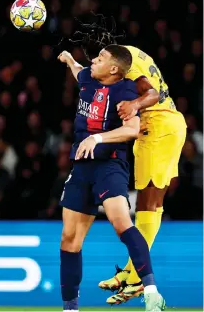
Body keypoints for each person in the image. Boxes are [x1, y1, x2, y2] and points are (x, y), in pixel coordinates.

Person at [57, 44, 165, 312]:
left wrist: (98, 137)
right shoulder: (87, 78)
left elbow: (131, 129)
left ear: (113, 69)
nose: (94, 60)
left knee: (121, 223)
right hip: (82, 167)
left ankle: (151, 292)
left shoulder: (125, 90)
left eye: (101, 58)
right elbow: (78, 70)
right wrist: (69, 59)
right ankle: (70, 308)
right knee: (69, 239)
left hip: (110, 165)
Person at [83, 43, 186, 304]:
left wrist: (134, 104)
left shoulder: (129, 72)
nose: (96, 59)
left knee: (148, 206)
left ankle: (136, 277)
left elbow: (151, 93)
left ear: (115, 63)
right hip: (161, 129)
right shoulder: (131, 52)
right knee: (148, 206)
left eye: (100, 56)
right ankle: (132, 273)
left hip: (159, 130)